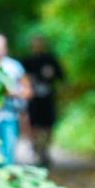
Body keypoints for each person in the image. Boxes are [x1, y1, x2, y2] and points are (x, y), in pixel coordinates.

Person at [0, 33, 32, 166]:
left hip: (10, 115)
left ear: (6, 49)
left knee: (8, 152)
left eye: (0, 48)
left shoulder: (14, 67)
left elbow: (28, 91)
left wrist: (13, 92)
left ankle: (6, 180)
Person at [22, 35, 65, 169]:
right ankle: (36, 148)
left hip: (48, 99)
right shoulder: (27, 61)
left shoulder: (50, 59)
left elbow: (62, 76)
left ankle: (45, 150)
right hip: (33, 99)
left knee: (48, 125)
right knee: (34, 124)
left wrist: (52, 75)